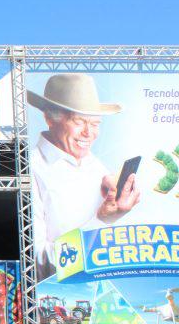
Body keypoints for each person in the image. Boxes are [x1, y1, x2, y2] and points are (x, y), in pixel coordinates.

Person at [28, 73, 140, 279]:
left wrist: (118, 213)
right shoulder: (31, 169)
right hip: (58, 299)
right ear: (49, 118)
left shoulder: (98, 168)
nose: (89, 133)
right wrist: (101, 221)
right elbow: (38, 265)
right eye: (79, 121)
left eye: (95, 123)